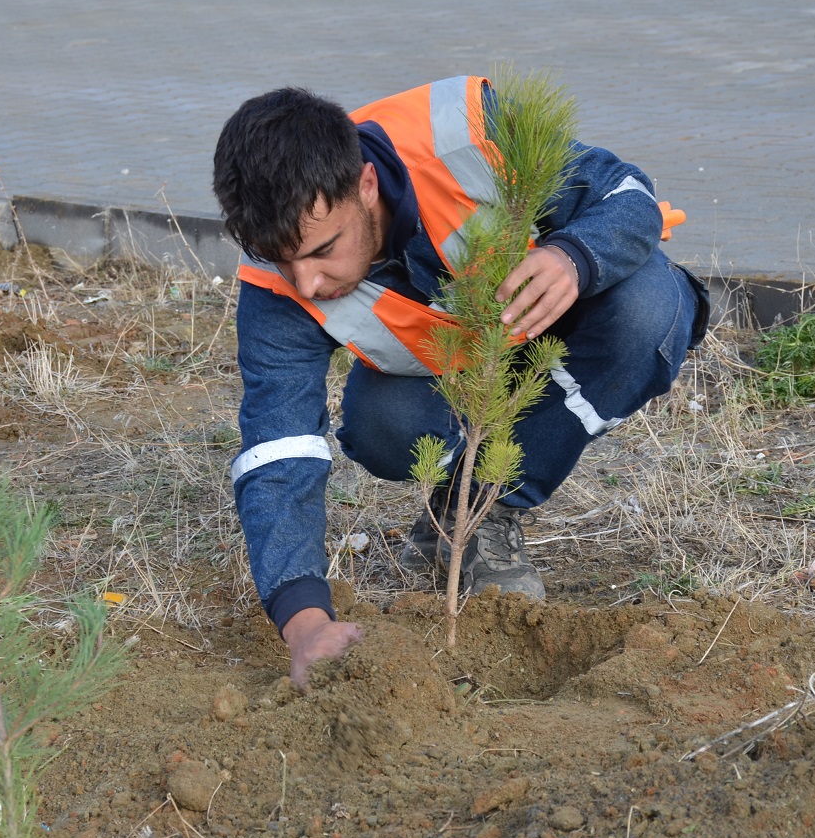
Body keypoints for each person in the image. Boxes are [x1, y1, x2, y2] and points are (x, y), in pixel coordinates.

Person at [212, 75, 709, 687]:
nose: (306, 283)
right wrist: (304, 621)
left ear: (365, 185)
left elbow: (627, 192)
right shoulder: (275, 284)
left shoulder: (465, 131)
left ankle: (487, 508)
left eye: (322, 250)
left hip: (572, 324)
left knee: (646, 313)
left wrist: (573, 257)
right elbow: (278, 447)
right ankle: (453, 505)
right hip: (453, 374)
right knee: (384, 426)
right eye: (283, 260)